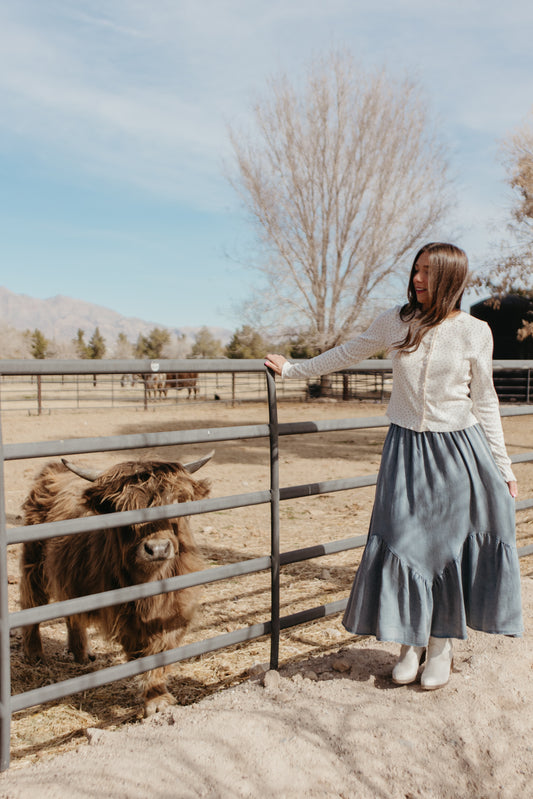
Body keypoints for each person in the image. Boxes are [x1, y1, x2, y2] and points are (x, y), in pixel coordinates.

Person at [265, 242, 523, 690]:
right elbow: (348, 353)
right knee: (404, 542)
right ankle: (409, 644)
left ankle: (440, 645)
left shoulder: (475, 331)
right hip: (405, 450)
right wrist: (293, 370)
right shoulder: (395, 321)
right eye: (416, 269)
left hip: (459, 452)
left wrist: (504, 467)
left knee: (445, 549)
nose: (418, 279)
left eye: (428, 272)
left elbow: (485, 400)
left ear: (450, 278)